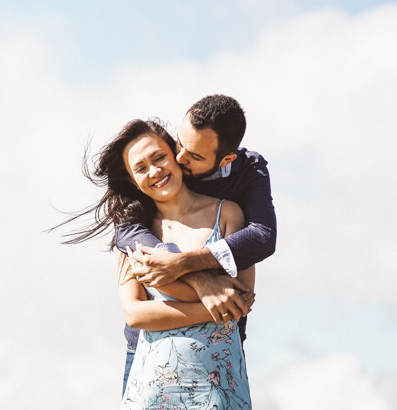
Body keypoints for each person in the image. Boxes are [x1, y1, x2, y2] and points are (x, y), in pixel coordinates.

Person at [60, 118, 255, 408]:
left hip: (220, 384)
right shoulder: (135, 233)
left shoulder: (227, 214)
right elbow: (135, 313)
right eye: (140, 168)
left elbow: (240, 298)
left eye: (159, 157)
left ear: (176, 154)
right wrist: (214, 308)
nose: (154, 171)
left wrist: (222, 304)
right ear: (132, 180)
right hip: (153, 386)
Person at [115, 95, 276, 391]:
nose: (179, 159)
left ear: (225, 159)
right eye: (179, 144)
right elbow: (125, 233)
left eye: (195, 156)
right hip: (146, 358)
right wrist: (201, 281)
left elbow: (262, 237)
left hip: (215, 358)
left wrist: (184, 263)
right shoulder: (157, 177)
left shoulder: (244, 176)